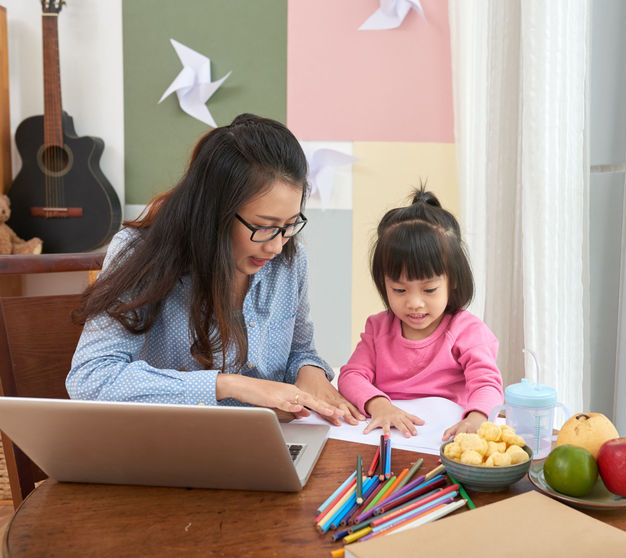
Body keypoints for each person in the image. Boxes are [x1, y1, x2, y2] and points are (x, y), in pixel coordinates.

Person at [67, 113, 364, 425]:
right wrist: (228, 386)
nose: (277, 246)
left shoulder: (290, 260)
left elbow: (299, 352)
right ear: (213, 212)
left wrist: (310, 373)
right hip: (167, 445)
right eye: (264, 227)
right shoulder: (138, 253)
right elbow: (90, 378)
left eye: (290, 225)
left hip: (267, 442)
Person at [338, 187, 503, 440]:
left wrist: (477, 418)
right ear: (384, 284)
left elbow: (487, 384)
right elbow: (351, 376)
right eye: (400, 289)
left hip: (444, 439)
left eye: (429, 289)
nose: (414, 303)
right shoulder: (378, 328)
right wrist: (380, 406)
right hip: (388, 438)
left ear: (454, 280)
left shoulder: (466, 331)